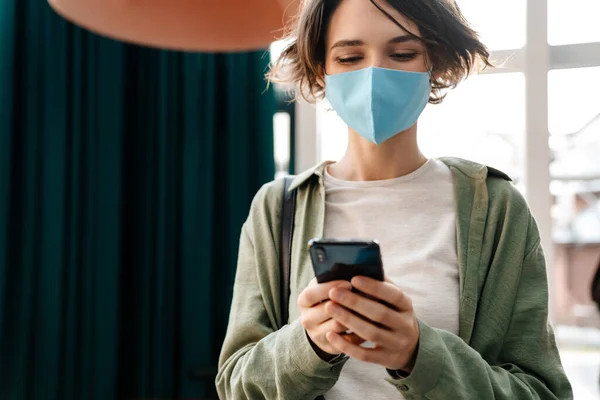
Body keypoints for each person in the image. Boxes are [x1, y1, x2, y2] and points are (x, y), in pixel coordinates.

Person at [216, 0, 573, 398]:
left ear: (432, 63)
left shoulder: (494, 207)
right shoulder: (277, 208)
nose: (375, 74)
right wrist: (310, 343)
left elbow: (544, 392)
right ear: (322, 70)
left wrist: (418, 353)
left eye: (402, 53)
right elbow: (236, 385)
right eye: (349, 56)